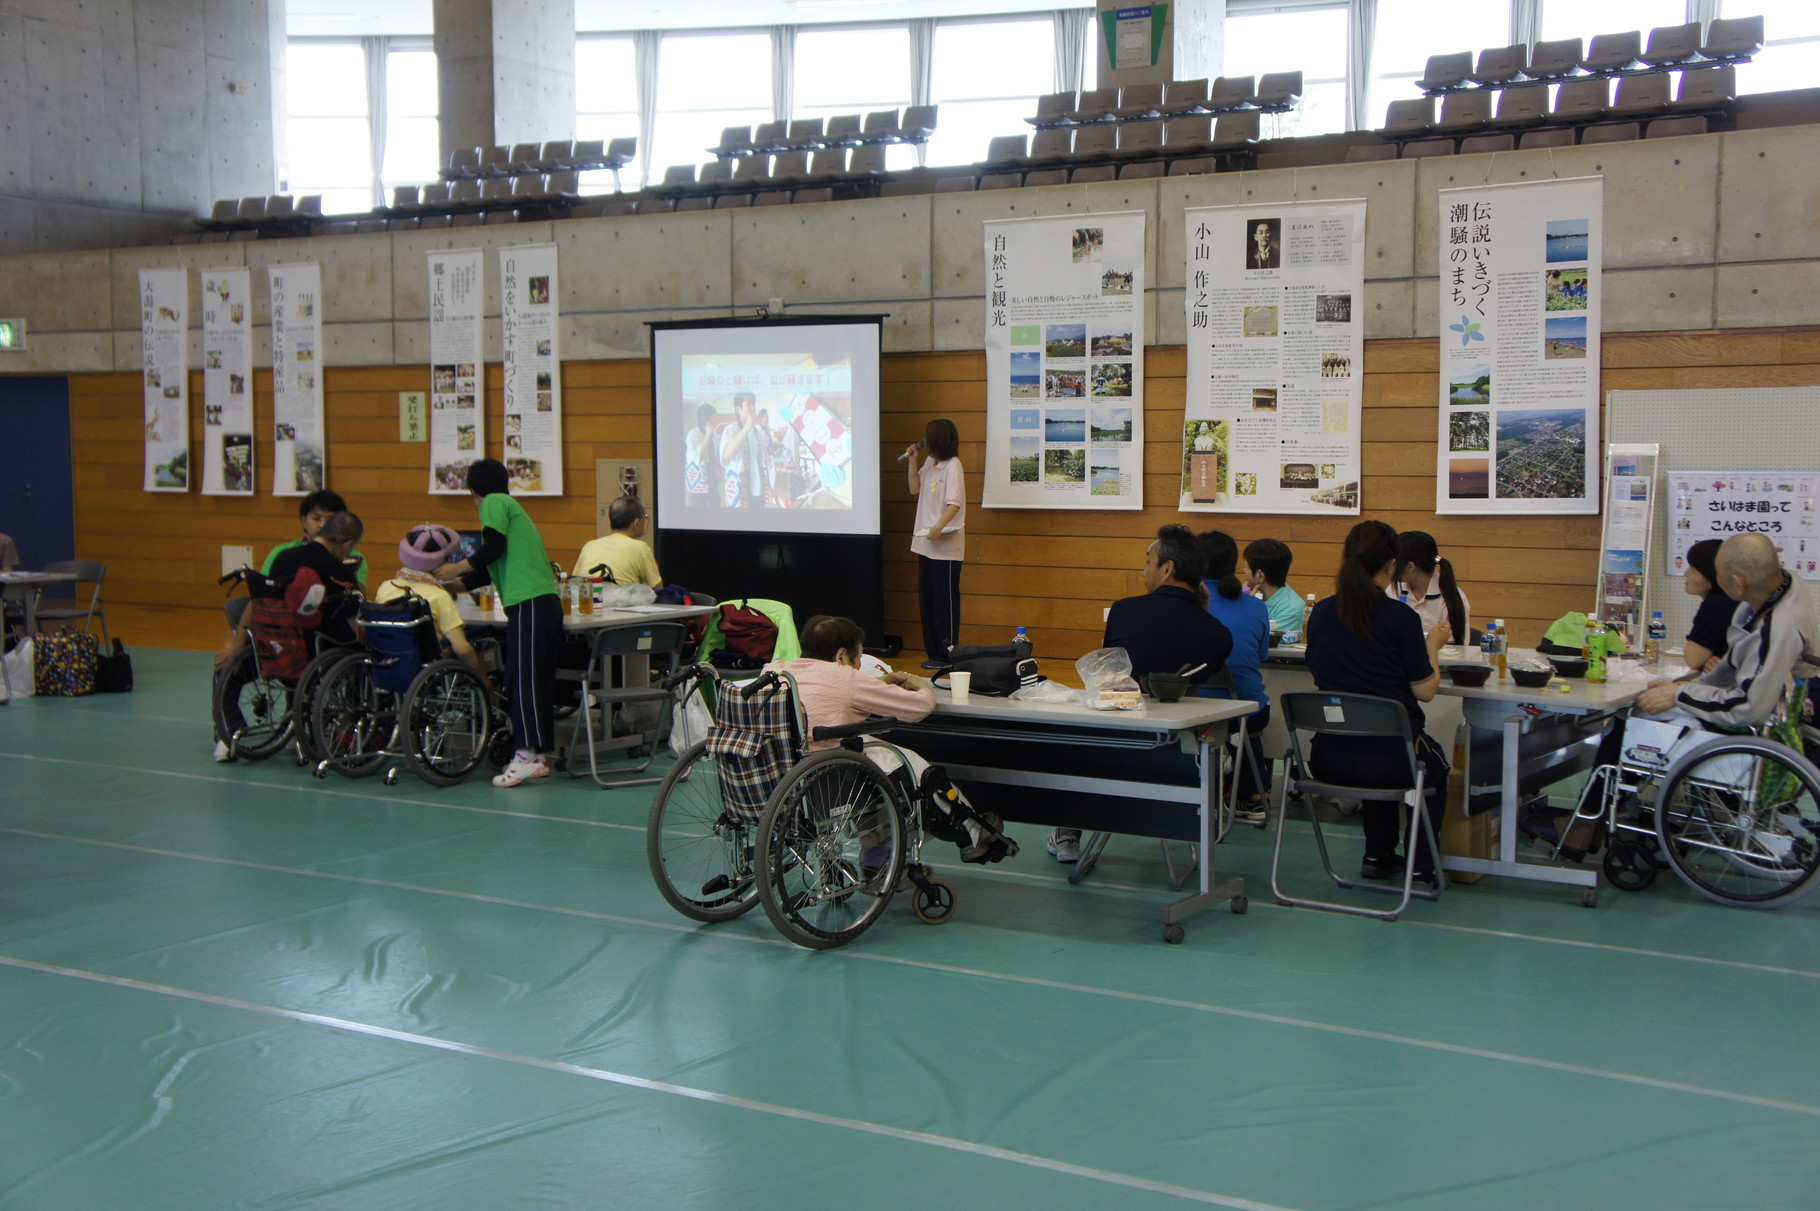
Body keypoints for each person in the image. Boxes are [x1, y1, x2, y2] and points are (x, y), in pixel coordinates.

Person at [1048, 525, 1233, 863]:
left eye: (1148, 561)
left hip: (1116, 749)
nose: (1143, 570)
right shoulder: (1218, 634)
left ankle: (1068, 831)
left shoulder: (1125, 611)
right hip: (1179, 761)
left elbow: (1108, 671)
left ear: (1168, 569)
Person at [768, 615, 1008, 863]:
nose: (859, 665)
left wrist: (875, 684)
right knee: (911, 767)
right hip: (832, 776)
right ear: (841, 656)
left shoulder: (777, 671)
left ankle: (878, 859)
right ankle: (973, 831)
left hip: (781, 775)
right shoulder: (847, 678)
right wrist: (917, 683)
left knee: (874, 769)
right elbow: (921, 707)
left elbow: (829, 689)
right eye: (859, 658)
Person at [1304, 520, 1451, 886]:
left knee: (1381, 741)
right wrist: (1432, 646)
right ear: (1391, 567)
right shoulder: (1399, 619)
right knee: (1431, 765)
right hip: (1391, 758)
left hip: (1328, 757)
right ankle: (1421, 867)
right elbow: (1425, 690)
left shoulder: (1321, 613)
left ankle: (1378, 855)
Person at [432, 459, 561, 788]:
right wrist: (455, 586)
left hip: (529, 601)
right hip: (541, 602)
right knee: (536, 678)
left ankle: (525, 752)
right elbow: (491, 566)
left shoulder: (492, 503)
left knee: (523, 679)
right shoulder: (511, 506)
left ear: (473, 490)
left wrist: (454, 568)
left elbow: (492, 548)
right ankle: (538, 756)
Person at [1629, 534, 1817, 731]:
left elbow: (1748, 708)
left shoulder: (1776, 630)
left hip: (1761, 719)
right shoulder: (1787, 582)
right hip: (1763, 694)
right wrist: (1690, 688)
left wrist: (1678, 695)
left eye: (1717, 574)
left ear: (1737, 583)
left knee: (1636, 718)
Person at [215, 509, 365, 671]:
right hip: (313, 650)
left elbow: (261, 600)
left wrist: (238, 644)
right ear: (348, 544)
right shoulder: (338, 570)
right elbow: (354, 623)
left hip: (275, 644)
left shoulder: (284, 556)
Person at [1199, 529, 1272, 822]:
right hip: (1247, 713)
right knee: (1247, 712)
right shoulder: (1256, 606)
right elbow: (1262, 656)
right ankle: (1250, 795)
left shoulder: (1184, 605)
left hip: (1195, 712)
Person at [374, 523, 487, 680]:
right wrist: (483, 678)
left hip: (390, 662)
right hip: (428, 669)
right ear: (444, 563)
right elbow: (462, 650)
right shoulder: (438, 596)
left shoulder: (385, 587)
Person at [904, 418, 965, 669]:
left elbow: (955, 503)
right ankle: (933, 652)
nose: (924, 440)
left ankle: (947, 653)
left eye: (927, 436)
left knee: (945, 603)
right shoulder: (930, 462)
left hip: (945, 547)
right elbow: (913, 489)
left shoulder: (953, 466)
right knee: (927, 600)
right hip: (925, 544)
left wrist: (938, 527)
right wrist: (912, 460)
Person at [262, 489, 369, 587]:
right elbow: (262, 590)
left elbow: (360, 596)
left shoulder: (353, 557)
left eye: (331, 520)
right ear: (304, 521)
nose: (323, 525)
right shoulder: (281, 552)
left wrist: (351, 573)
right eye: (316, 519)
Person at [1390, 530, 1470, 643]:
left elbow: (1456, 649)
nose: (1389, 567)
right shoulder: (1393, 590)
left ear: (1410, 567)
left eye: (1393, 563)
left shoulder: (1452, 598)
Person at [572, 494, 662, 588]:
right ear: (637, 524)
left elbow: (575, 580)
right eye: (645, 517)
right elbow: (658, 588)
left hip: (588, 601)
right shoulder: (640, 548)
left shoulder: (589, 545)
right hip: (623, 602)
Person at [1681, 538, 1730, 673]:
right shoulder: (1730, 600)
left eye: (1694, 570)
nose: (1686, 573)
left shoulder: (1717, 604)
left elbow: (1694, 659)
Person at [718, 392, 769, 507]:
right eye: (749, 404)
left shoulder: (758, 431)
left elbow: (765, 460)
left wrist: (770, 485)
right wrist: (746, 428)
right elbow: (725, 456)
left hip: (758, 490)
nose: (753, 408)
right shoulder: (730, 430)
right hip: (740, 491)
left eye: (754, 404)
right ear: (738, 409)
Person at [1244, 537, 1304, 636]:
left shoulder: (1291, 609)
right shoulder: (1255, 595)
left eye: (1246, 567)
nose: (1244, 571)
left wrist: (1247, 605)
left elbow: (1256, 639)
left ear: (1260, 575)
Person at [683, 402, 721, 508]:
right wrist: (708, 434)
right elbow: (697, 457)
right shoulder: (693, 434)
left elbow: (715, 455)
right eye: (714, 417)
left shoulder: (715, 436)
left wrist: (718, 469)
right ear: (706, 418)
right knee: (699, 506)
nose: (717, 420)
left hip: (711, 474)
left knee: (715, 501)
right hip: (697, 476)